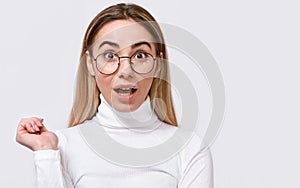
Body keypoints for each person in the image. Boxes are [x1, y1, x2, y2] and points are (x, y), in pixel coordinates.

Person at [16, 3, 213, 188]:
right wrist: (45, 153)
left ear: (158, 65)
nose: (126, 70)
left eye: (140, 55)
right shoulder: (61, 147)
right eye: (110, 55)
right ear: (91, 64)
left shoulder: (189, 150)